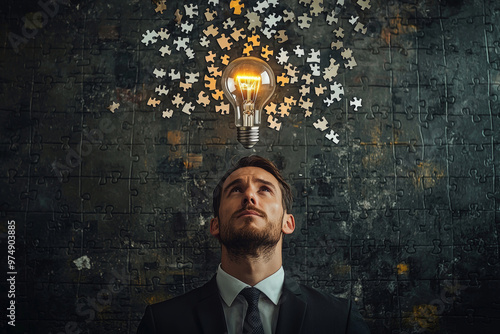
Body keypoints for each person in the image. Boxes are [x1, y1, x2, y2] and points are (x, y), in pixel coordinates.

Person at [137, 155, 370, 334]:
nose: (249, 196)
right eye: (236, 190)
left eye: (264, 189)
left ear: (288, 222)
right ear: (215, 225)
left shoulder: (340, 320)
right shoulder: (162, 323)